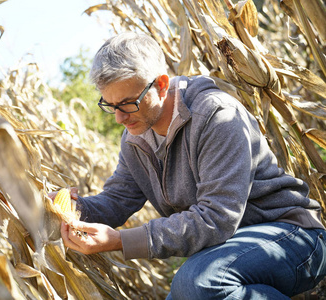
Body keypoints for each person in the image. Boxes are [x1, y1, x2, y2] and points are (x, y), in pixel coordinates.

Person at [54, 32, 326, 299]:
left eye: (128, 104)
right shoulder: (134, 137)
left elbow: (217, 218)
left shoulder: (218, 116)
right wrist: (73, 210)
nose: (118, 118)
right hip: (225, 250)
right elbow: (118, 199)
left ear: (161, 84)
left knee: (199, 283)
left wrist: (121, 241)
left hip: (293, 236)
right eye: (110, 105)